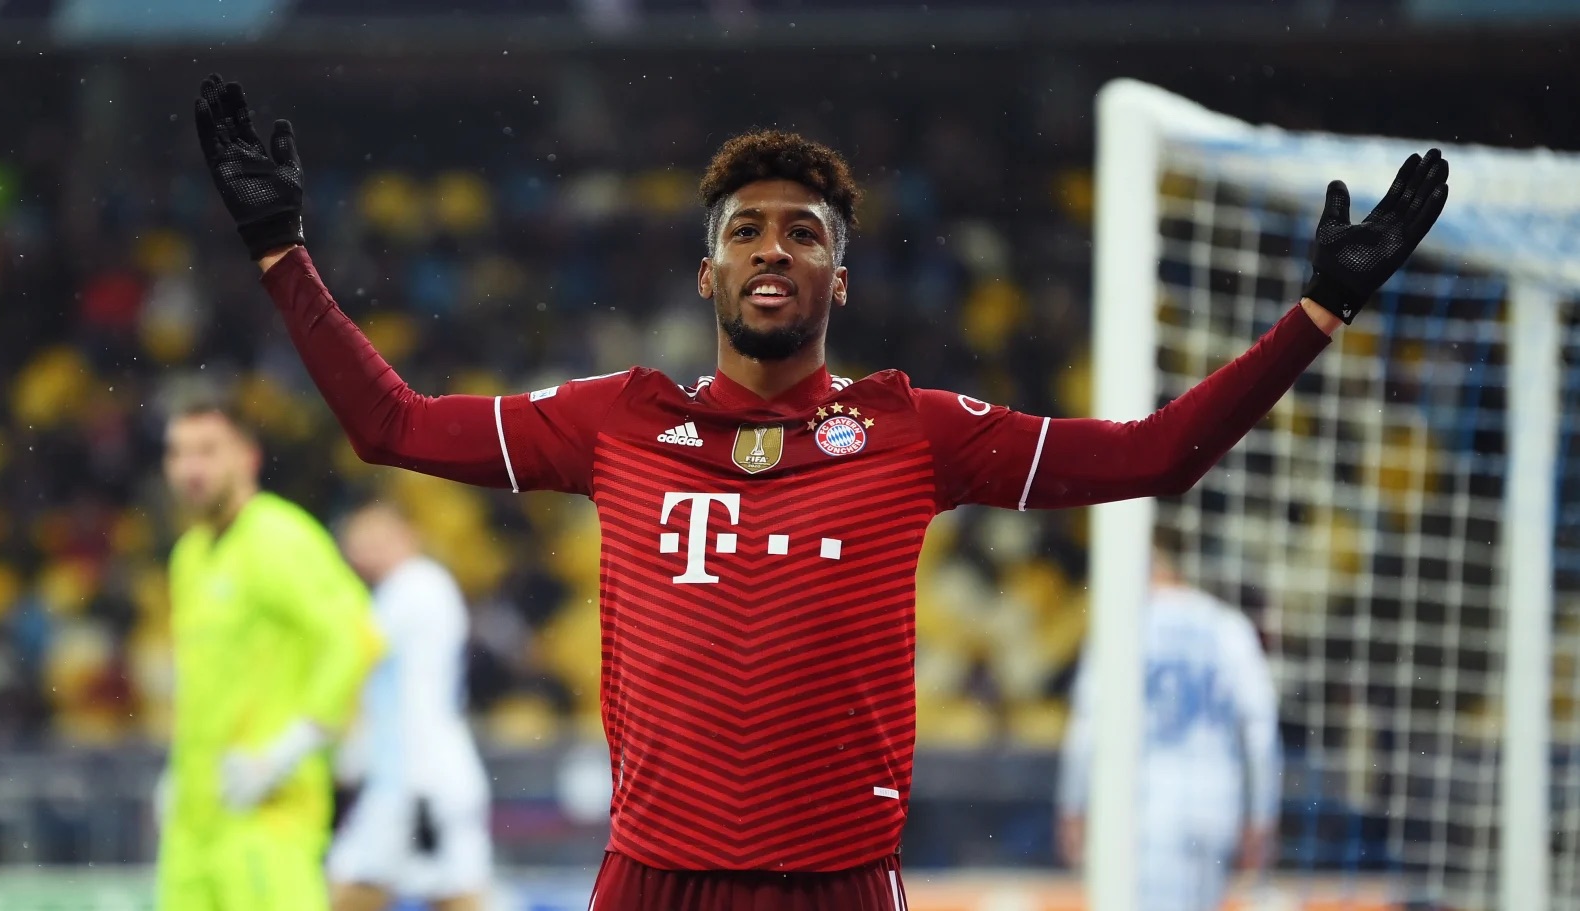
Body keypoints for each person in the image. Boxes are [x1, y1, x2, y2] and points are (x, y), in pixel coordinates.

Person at [191, 72, 1447, 910]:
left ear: (837, 279)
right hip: (654, 876)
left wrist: (1316, 313)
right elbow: (391, 424)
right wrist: (281, 254)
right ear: (707, 272)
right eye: (746, 229)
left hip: (838, 880)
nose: (773, 248)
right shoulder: (619, 418)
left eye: (804, 232)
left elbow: (1156, 453)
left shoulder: (913, 429)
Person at [157, 396, 382, 911]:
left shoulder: (280, 538)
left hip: (268, 814)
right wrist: (177, 774)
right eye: (178, 453)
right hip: (194, 819)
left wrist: (285, 751)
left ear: (247, 457)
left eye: (208, 451)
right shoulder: (188, 556)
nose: (190, 468)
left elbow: (354, 636)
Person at [1055, 544, 1281, 911]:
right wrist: (1261, 813)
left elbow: (1087, 729)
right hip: (1215, 803)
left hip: (1144, 806)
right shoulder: (1228, 627)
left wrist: (1073, 805)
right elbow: (1260, 731)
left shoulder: (1122, 629)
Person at [328, 502, 493, 911]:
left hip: (417, 779)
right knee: (450, 892)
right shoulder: (403, 590)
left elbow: (355, 652)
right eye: (360, 540)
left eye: (378, 538)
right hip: (419, 775)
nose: (366, 548)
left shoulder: (417, 584)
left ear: (409, 537)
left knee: (352, 887)